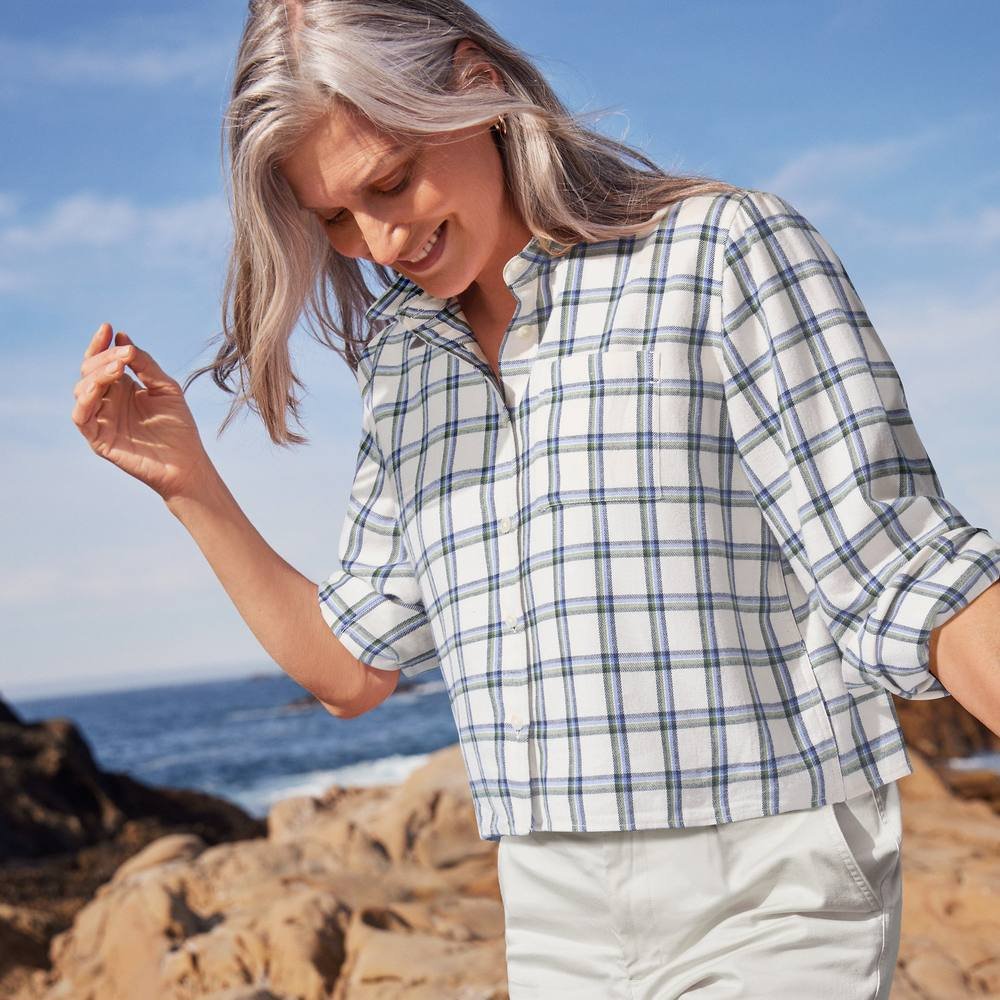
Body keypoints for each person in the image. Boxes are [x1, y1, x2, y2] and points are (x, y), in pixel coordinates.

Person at [70, 2, 1000, 997]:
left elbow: (907, 573)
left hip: (771, 891)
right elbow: (350, 668)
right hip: (554, 919)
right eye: (335, 217)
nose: (379, 240)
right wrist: (187, 483)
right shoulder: (405, 359)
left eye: (389, 180)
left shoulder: (718, 250)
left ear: (475, 86)